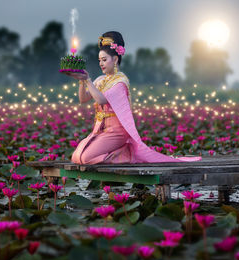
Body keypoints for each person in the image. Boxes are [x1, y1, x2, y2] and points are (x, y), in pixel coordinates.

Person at [65, 31, 202, 164]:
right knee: (76, 157)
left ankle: (125, 153)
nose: (101, 63)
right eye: (100, 60)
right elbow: (83, 99)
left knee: (85, 158)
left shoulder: (120, 82)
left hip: (116, 133)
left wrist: (88, 80)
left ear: (115, 59)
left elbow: (100, 100)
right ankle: (117, 152)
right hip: (100, 131)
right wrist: (81, 81)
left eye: (104, 60)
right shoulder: (101, 80)